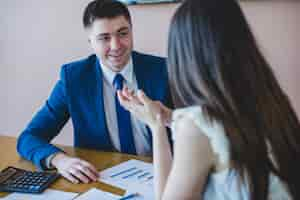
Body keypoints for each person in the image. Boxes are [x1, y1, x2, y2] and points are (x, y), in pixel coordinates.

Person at [118, 0, 300, 199]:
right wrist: (170, 118)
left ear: (184, 56)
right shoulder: (272, 100)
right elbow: (224, 132)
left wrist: (156, 126)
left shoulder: (195, 125)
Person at [17, 0, 170, 184]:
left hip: (161, 177)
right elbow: (29, 137)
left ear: (131, 31)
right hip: (100, 180)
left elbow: (198, 125)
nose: (116, 45)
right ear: (90, 41)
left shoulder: (164, 70)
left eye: (123, 33)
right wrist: (60, 160)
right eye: (104, 38)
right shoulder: (74, 78)